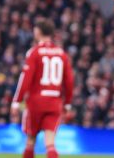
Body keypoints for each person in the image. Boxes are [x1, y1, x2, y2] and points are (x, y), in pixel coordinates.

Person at [11, 19, 74, 158]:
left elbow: (25, 79)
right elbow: (69, 81)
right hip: (54, 102)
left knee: (30, 141)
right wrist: (68, 103)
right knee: (50, 144)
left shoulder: (35, 52)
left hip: (36, 102)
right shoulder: (61, 54)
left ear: (38, 32)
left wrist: (17, 101)